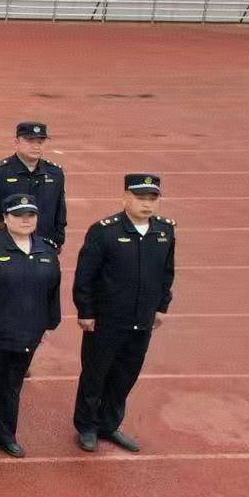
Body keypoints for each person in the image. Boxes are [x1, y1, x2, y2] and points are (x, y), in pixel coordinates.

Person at [72, 174, 176, 453]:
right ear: (125, 198)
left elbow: (167, 272)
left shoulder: (164, 231)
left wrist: (162, 306)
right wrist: (86, 311)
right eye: (140, 198)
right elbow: (85, 276)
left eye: (152, 198)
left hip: (142, 319)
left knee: (125, 375)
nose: (147, 204)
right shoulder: (104, 231)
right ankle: (87, 426)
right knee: (95, 374)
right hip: (107, 319)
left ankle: (109, 424)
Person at [0, 194, 63, 458]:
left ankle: (6, 434)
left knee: (12, 385)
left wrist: (49, 324)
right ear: (5, 218)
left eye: (31, 215)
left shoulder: (46, 250)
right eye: (18, 215)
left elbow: (52, 291)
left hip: (27, 332)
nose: (25, 220)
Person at [0, 121, 68, 248]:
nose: (36, 146)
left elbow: (60, 211)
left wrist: (57, 242)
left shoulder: (55, 173)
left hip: (43, 246)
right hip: (5, 247)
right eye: (30, 141)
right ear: (16, 142)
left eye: (40, 142)